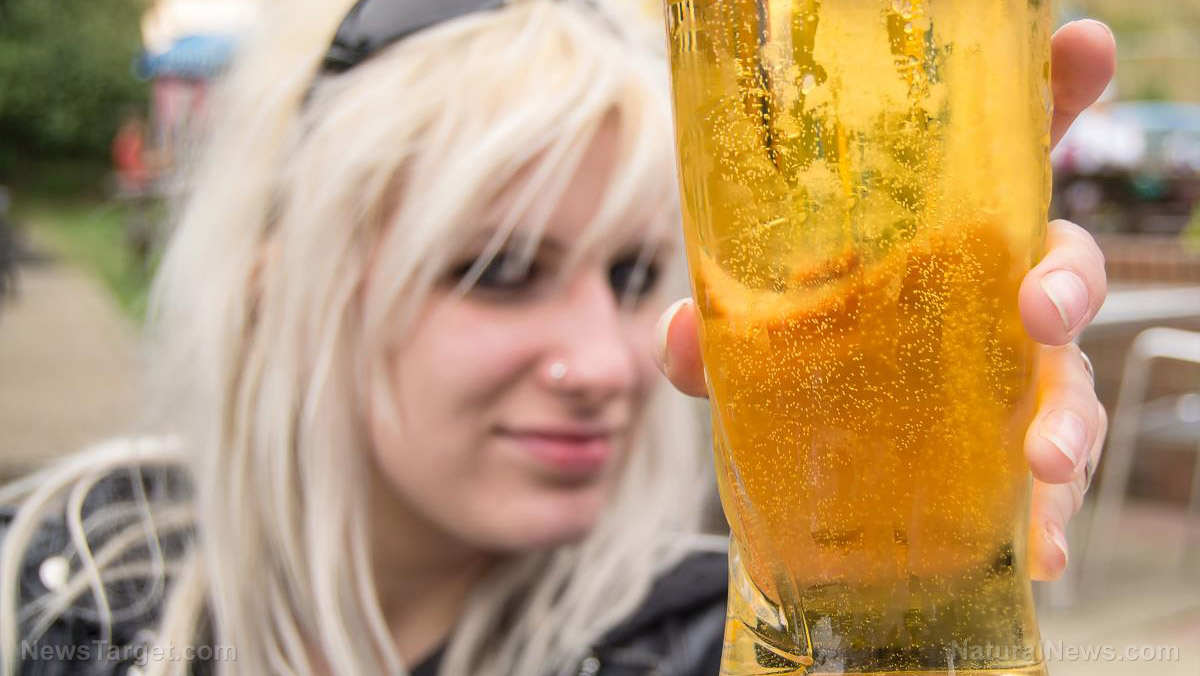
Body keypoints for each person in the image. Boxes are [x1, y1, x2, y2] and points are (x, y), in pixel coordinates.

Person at [0, 1, 1117, 675]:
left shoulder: (696, 634)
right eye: (499, 270)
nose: (604, 362)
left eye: (632, 275)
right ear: (277, 282)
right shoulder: (49, 594)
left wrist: (907, 533)